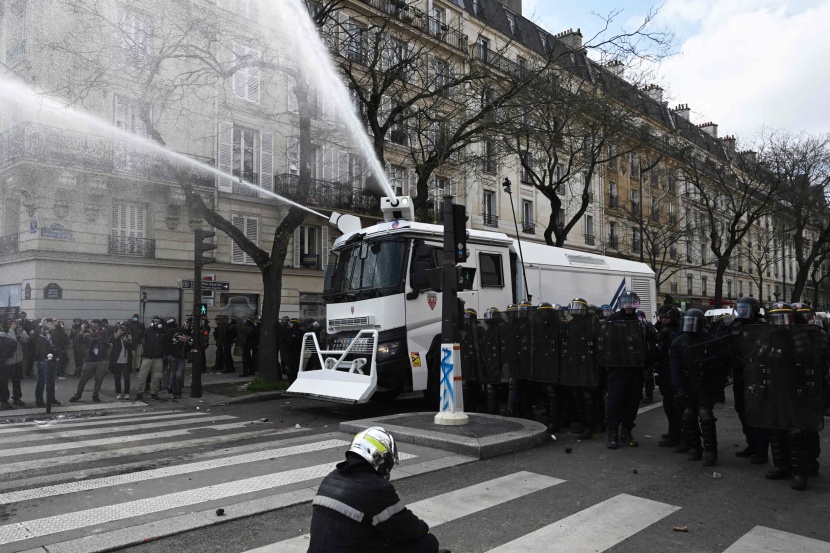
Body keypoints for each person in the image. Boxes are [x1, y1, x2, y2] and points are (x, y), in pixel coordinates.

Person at [308, 427, 448, 553]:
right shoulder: (376, 488)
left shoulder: (331, 477)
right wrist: (424, 528)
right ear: (382, 460)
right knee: (428, 543)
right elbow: (409, 529)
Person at [669, 308, 724, 467]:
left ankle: (711, 451)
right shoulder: (679, 342)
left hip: (705, 382)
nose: (690, 325)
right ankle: (694, 447)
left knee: (705, 416)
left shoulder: (712, 340)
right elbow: (675, 367)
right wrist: (678, 387)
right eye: (688, 322)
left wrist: (712, 374)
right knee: (688, 415)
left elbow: (722, 362)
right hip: (688, 384)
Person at [723, 296, 769, 464]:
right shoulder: (734, 327)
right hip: (740, 374)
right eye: (740, 308)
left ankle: (761, 450)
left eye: (745, 309)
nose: (741, 312)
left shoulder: (762, 327)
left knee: (757, 412)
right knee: (741, 409)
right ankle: (752, 444)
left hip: (757, 374)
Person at [654, 305, 683, 447]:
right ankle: (673, 431)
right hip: (664, 370)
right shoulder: (661, 330)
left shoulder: (677, 332)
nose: (664, 320)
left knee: (676, 404)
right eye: (662, 317)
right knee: (668, 403)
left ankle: (680, 435)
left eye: (667, 317)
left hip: (674, 370)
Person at [70, 321, 111, 403]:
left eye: (96, 327)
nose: (94, 329)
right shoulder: (86, 336)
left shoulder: (102, 335)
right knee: (83, 379)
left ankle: (95, 395)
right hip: (89, 360)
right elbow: (77, 341)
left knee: (99, 379)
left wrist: (106, 357)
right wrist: (82, 331)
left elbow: (107, 345)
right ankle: (78, 394)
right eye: (92, 327)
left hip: (100, 360)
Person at [133, 315, 167, 401]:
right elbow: (139, 338)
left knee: (157, 376)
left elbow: (165, 345)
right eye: (154, 321)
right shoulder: (147, 331)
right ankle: (139, 393)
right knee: (142, 375)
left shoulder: (163, 332)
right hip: (147, 357)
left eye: (158, 321)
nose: (156, 323)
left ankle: (154, 393)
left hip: (158, 357)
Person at [32, 319, 63, 407]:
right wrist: (40, 325)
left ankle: (51, 398)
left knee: (52, 380)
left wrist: (56, 325)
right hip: (43, 360)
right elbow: (33, 337)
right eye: (44, 325)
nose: (46, 326)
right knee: (42, 380)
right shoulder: (37, 336)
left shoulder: (51, 334)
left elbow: (62, 336)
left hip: (53, 359)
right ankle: (39, 400)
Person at [0, 318, 28, 409]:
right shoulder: (3, 333)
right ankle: (4, 400)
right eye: (11, 323)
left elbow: (26, 340)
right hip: (6, 363)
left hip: (17, 362)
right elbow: (12, 341)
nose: (14, 325)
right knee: (4, 383)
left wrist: (21, 331)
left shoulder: (16, 333)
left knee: (17, 382)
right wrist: (12, 330)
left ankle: (17, 398)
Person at [109, 323, 134, 400]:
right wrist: (117, 335)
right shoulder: (114, 337)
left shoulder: (127, 337)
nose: (121, 332)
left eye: (122, 330)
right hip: (117, 362)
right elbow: (111, 341)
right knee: (117, 378)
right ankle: (118, 393)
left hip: (126, 362)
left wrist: (129, 340)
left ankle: (127, 393)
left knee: (127, 378)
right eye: (119, 330)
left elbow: (131, 348)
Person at [169, 328, 193, 399]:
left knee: (179, 375)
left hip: (182, 359)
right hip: (174, 358)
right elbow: (171, 345)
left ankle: (178, 391)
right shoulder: (175, 337)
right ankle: (174, 392)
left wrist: (187, 341)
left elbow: (191, 345)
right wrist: (178, 341)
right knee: (174, 375)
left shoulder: (188, 338)